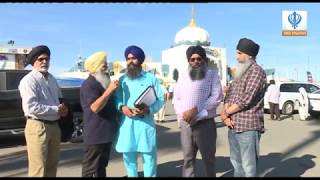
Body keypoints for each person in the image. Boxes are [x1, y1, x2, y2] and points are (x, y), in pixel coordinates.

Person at [18, 45, 69, 177]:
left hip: (54, 126)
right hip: (37, 127)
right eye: (41, 59)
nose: (45, 62)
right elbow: (31, 107)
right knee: (38, 169)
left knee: (52, 166)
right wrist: (56, 109)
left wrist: (63, 108)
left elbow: (59, 98)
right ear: (33, 62)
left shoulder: (52, 79)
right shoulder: (28, 81)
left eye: (47, 59)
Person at [173, 45, 223, 177]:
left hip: (205, 123)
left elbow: (216, 97)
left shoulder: (212, 75)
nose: (196, 62)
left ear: (204, 59)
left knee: (208, 159)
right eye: (192, 59)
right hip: (186, 123)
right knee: (188, 158)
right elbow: (176, 99)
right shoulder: (183, 76)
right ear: (188, 61)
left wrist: (197, 113)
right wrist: (182, 116)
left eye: (199, 59)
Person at [115, 45, 165, 177]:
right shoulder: (122, 79)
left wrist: (149, 109)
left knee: (149, 157)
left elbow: (160, 100)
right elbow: (117, 99)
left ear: (140, 60)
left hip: (145, 124)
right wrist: (122, 107)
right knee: (129, 158)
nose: (130, 61)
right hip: (127, 123)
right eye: (128, 58)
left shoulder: (151, 78)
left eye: (134, 58)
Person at [220, 38, 267, 177]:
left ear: (249, 55)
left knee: (248, 167)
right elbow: (229, 95)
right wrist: (226, 115)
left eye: (239, 53)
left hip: (248, 127)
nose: (236, 56)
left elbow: (246, 99)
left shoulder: (256, 71)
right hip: (233, 125)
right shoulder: (240, 72)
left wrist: (225, 113)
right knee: (236, 164)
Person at [80, 51, 119, 177]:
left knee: (101, 166)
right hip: (95, 135)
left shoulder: (102, 82)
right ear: (95, 66)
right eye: (103, 64)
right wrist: (109, 91)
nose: (106, 67)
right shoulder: (89, 84)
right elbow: (95, 107)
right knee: (90, 169)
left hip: (105, 134)